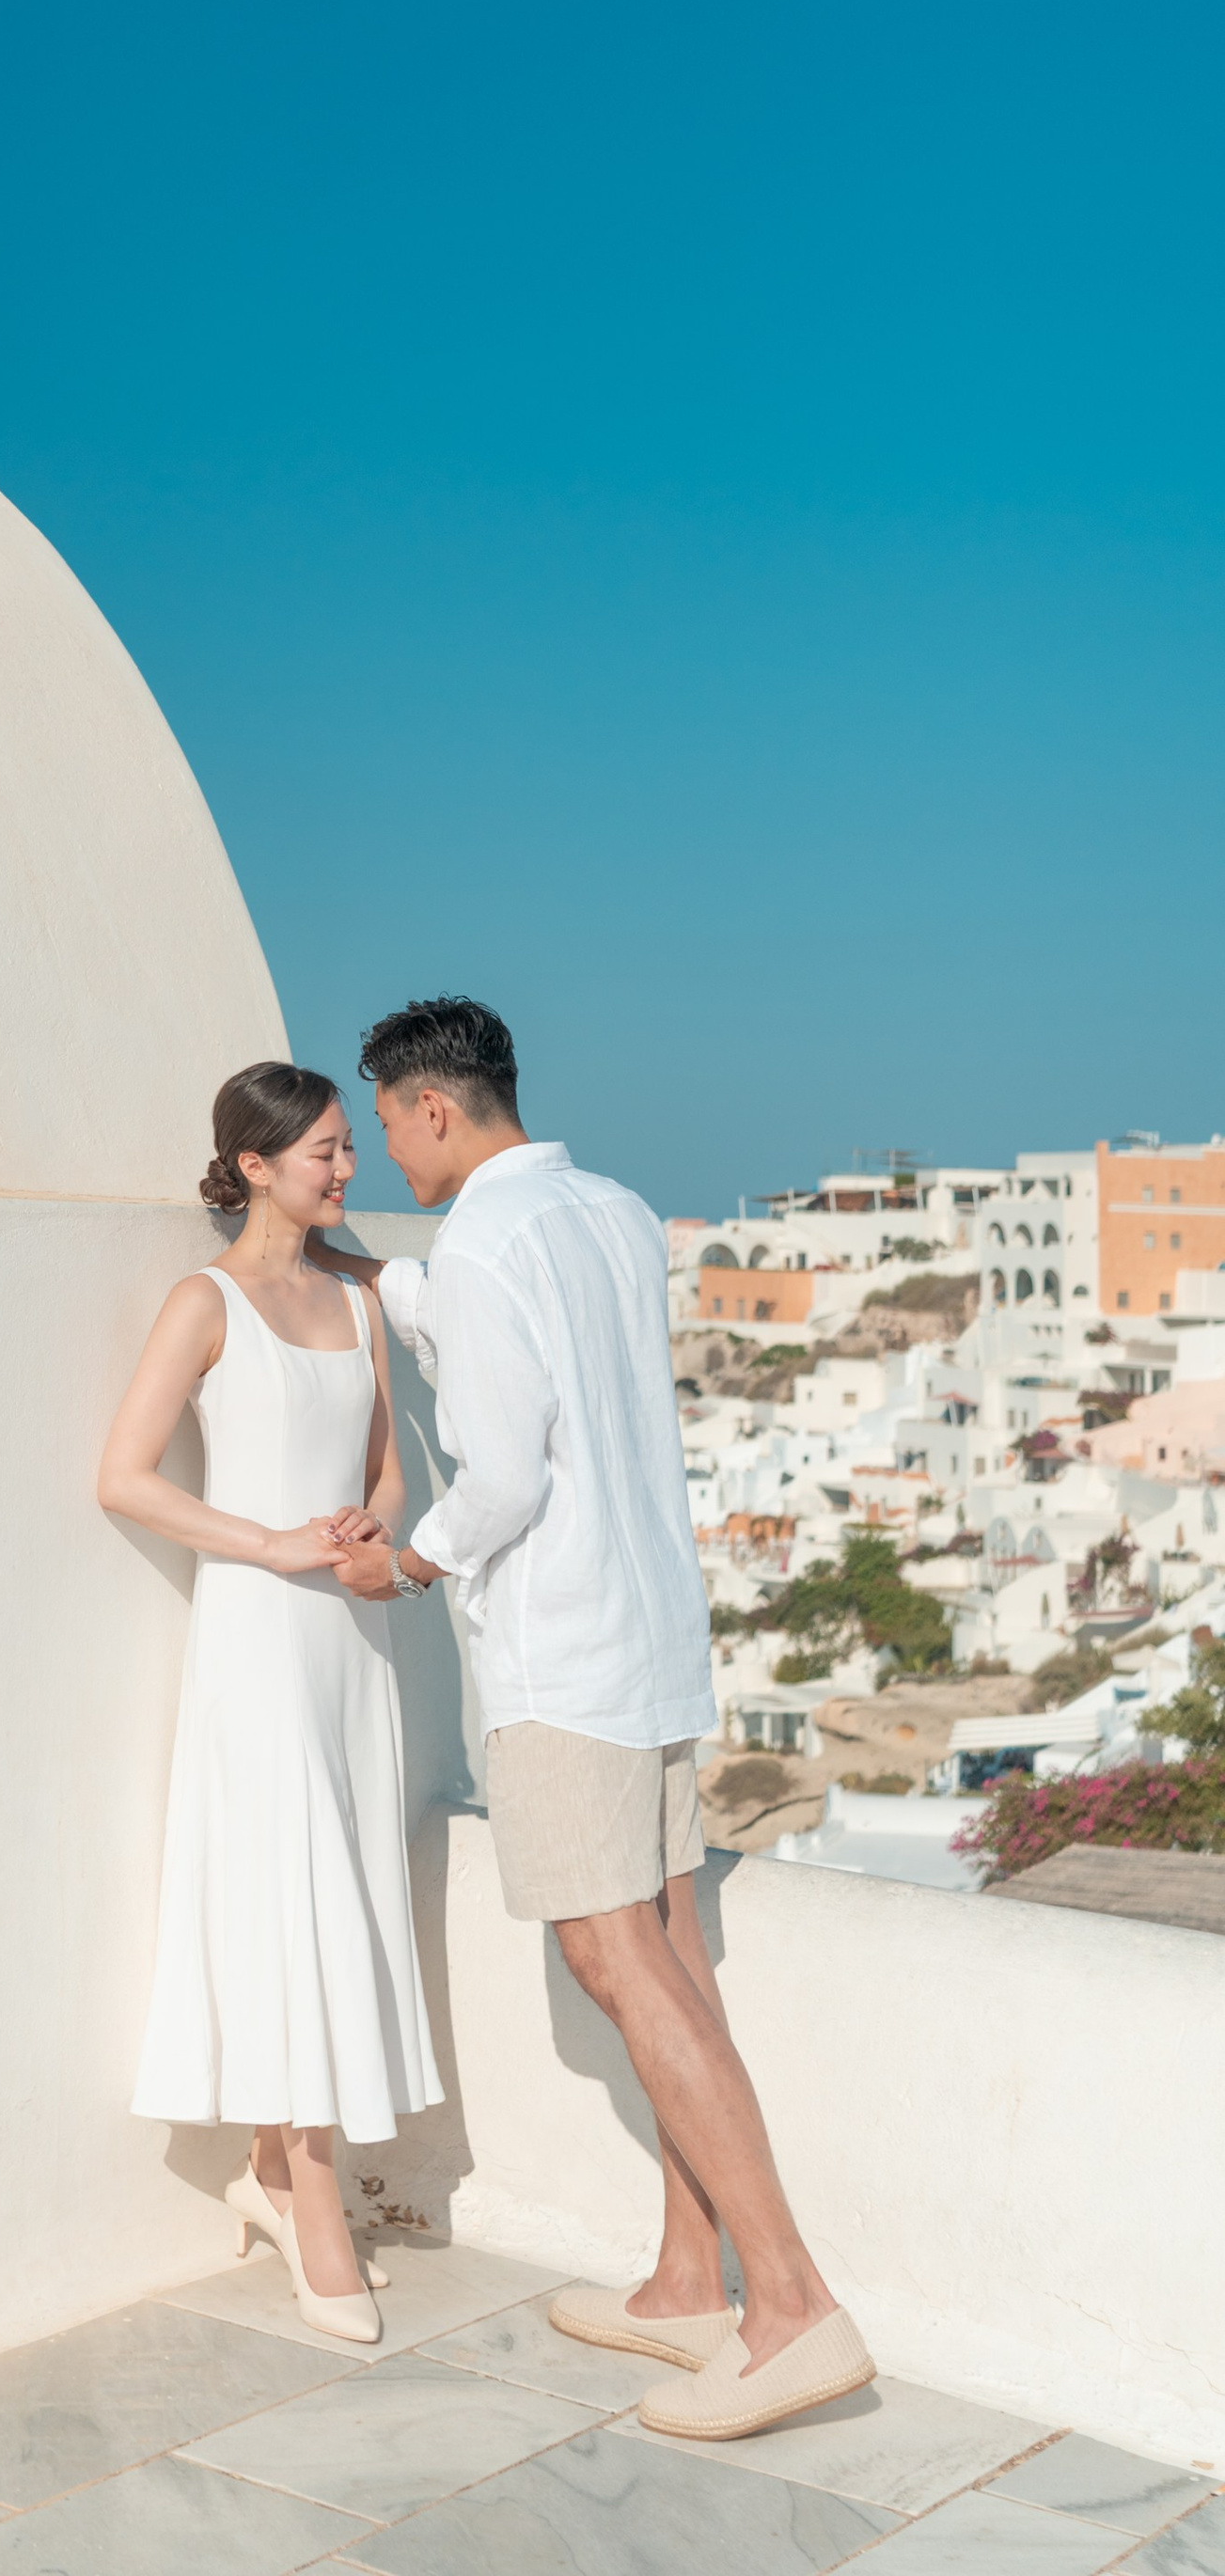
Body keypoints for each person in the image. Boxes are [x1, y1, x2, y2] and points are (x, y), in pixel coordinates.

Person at [325, 995, 873, 2442]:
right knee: (676, 1951)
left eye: (383, 1121)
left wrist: (407, 1562)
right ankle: (692, 2279)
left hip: (562, 1661)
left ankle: (794, 2306)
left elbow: (502, 1471)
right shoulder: (614, 1211)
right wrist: (376, 1277)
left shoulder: (485, 1241)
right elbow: (518, 1336)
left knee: (617, 1964)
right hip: (655, 1644)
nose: (379, 1148)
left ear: (432, 1108)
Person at [99, 1062, 440, 2342]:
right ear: (251, 1164)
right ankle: (311, 2201)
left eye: (351, 1148)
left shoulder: (359, 1298)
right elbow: (125, 1478)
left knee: (334, 1881)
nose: (347, 1172)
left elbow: (392, 1471)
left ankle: (271, 2169)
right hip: (257, 1631)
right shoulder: (207, 1302)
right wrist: (273, 1545)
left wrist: (365, 1536)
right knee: (280, 1892)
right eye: (322, 1154)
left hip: (350, 1633)